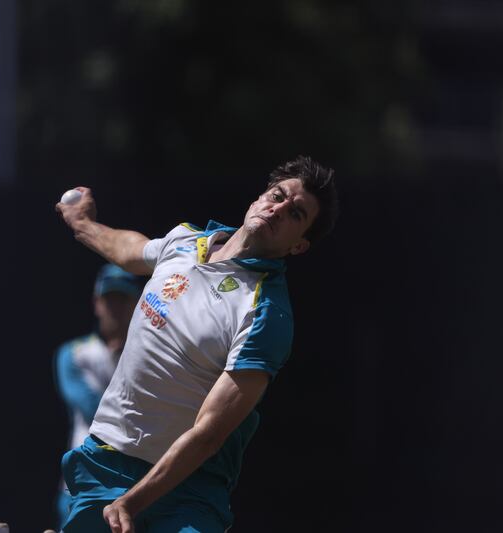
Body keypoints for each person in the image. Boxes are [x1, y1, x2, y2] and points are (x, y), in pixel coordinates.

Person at [54, 156, 338, 532]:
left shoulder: (267, 313)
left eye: (296, 213)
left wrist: (133, 501)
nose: (279, 209)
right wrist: (83, 224)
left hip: (188, 492)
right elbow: (130, 250)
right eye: (277, 195)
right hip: (108, 461)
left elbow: (209, 434)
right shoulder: (186, 240)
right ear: (258, 198)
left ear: (299, 246)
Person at [52, 263, 144, 529]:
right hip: (80, 484)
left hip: (134, 487)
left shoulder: (151, 356)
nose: (115, 306)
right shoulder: (71, 354)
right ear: (96, 303)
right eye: (109, 298)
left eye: (123, 298)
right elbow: (96, 411)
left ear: (137, 304)